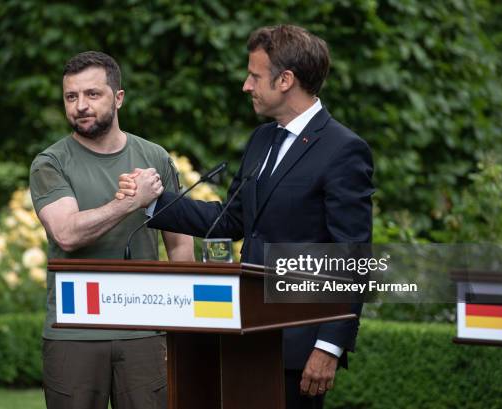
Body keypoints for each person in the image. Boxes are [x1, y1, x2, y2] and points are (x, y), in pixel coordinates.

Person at [117, 25, 374, 408]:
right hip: (241, 333)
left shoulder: (344, 150)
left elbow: (352, 257)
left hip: (296, 348)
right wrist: (153, 202)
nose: (246, 85)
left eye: (254, 75)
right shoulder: (262, 140)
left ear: (285, 80)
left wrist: (329, 347)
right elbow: (230, 219)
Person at [29, 51, 194, 409]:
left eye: (92, 94)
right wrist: (131, 203)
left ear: (118, 98)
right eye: (71, 97)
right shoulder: (51, 163)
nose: (80, 106)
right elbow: (67, 234)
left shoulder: (156, 158)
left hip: (144, 330)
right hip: (73, 331)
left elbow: (180, 246)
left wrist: (179, 327)